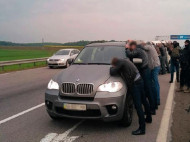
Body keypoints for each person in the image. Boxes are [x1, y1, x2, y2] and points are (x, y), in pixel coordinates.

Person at [110, 57, 152, 135]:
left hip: (135, 84)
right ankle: (149, 118)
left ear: (115, 63)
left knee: (138, 106)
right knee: (144, 101)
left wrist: (112, 67)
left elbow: (112, 72)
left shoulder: (120, 62)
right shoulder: (126, 60)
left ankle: (142, 129)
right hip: (140, 80)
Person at [125, 41, 156, 115]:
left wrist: (126, 49)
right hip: (145, 70)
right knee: (147, 90)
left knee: (148, 90)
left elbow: (129, 54)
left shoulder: (138, 50)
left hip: (145, 71)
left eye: (131, 47)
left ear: (133, 46)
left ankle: (152, 108)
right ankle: (152, 107)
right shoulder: (141, 49)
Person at [140, 42, 161, 106]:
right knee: (154, 83)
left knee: (154, 83)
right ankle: (156, 99)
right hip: (155, 66)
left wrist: (138, 44)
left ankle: (157, 100)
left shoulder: (149, 47)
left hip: (154, 66)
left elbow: (142, 47)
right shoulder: (152, 47)